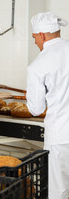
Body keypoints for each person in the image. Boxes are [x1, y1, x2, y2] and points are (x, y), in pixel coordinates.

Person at [27, 12, 69, 199]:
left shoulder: (38, 64)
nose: (35, 42)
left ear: (42, 35)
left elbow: (35, 109)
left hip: (60, 135)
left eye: (34, 37)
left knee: (58, 189)